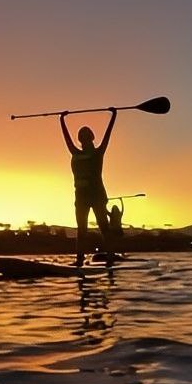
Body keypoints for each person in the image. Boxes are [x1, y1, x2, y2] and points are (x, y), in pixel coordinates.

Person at [61, 107, 116, 266]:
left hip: (97, 195)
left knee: (103, 227)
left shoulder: (98, 152)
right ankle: (79, 259)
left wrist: (113, 116)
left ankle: (110, 256)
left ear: (91, 138)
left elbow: (108, 134)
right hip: (81, 197)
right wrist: (62, 120)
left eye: (86, 137)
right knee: (82, 229)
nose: (84, 140)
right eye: (82, 137)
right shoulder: (75, 153)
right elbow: (66, 138)